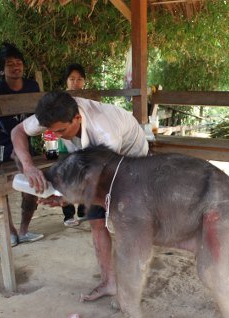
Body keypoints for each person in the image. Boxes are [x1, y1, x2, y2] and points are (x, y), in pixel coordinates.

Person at [11, 91, 148, 301]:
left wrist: (65, 198)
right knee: (96, 222)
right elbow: (17, 131)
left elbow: (102, 181)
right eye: (52, 132)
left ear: (77, 118)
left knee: (124, 223)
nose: (56, 137)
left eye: (61, 131)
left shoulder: (104, 132)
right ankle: (109, 283)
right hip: (92, 161)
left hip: (129, 163)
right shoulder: (53, 113)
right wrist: (28, 167)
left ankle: (131, 288)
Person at [0, 42, 43, 247]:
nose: (15, 66)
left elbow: (36, 117)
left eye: (18, 62)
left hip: (24, 143)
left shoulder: (32, 86)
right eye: (9, 64)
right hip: (0, 145)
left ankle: (24, 230)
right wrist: (16, 148)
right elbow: (3, 124)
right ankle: (10, 232)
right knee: (3, 188)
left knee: (32, 186)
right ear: (2, 69)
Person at [61, 63, 87, 227]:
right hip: (65, 144)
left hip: (85, 142)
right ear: (66, 81)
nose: (76, 83)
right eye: (72, 79)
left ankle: (84, 211)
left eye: (79, 79)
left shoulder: (88, 100)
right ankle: (68, 215)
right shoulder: (60, 100)